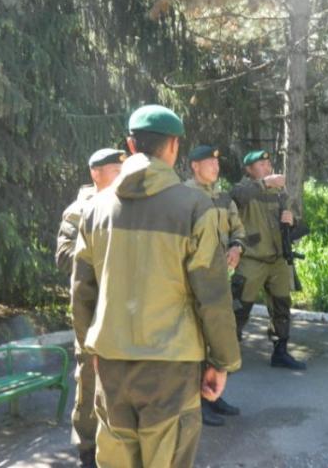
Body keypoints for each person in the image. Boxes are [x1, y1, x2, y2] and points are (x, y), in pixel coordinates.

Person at [71, 105, 241, 468]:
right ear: (175, 146)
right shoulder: (195, 207)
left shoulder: (95, 209)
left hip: (111, 365)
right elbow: (212, 296)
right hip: (172, 369)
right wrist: (222, 361)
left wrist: (90, 350)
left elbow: (82, 291)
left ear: (131, 145)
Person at [55, 148, 126, 467]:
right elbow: (63, 255)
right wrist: (101, 259)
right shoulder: (78, 210)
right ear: (95, 174)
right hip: (92, 308)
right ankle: (86, 448)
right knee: (88, 378)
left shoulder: (124, 206)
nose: (121, 176)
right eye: (115, 171)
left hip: (122, 308)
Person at [184, 144, 244, 427]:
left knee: (216, 337)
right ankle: (198, 402)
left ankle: (213, 394)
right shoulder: (184, 196)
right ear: (194, 166)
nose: (216, 167)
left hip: (219, 276)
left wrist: (236, 246)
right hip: (195, 280)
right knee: (198, 339)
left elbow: (237, 227)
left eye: (217, 163)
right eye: (210, 162)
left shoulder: (223, 197)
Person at [230, 150, 306, 370]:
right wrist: (265, 183)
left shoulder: (279, 192)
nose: (267, 167)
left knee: (281, 306)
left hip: (277, 260)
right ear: (249, 169)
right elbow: (236, 197)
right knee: (239, 308)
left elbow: (297, 222)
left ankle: (280, 352)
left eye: (268, 163)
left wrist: (292, 221)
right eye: (261, 164)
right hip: (251, 260)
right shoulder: (242, 189)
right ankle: (228, 355)